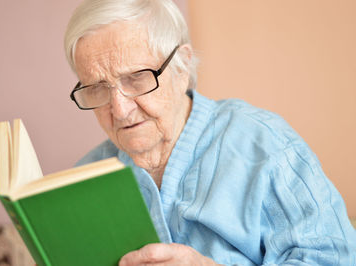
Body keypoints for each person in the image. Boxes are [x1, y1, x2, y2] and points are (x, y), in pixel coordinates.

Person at [64, 0, 356, 265]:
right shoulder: (85, 178)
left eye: (137, 78)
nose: (120, 110)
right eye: (98, 89)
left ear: (182, 67)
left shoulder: (266, 146)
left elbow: (335, 259)